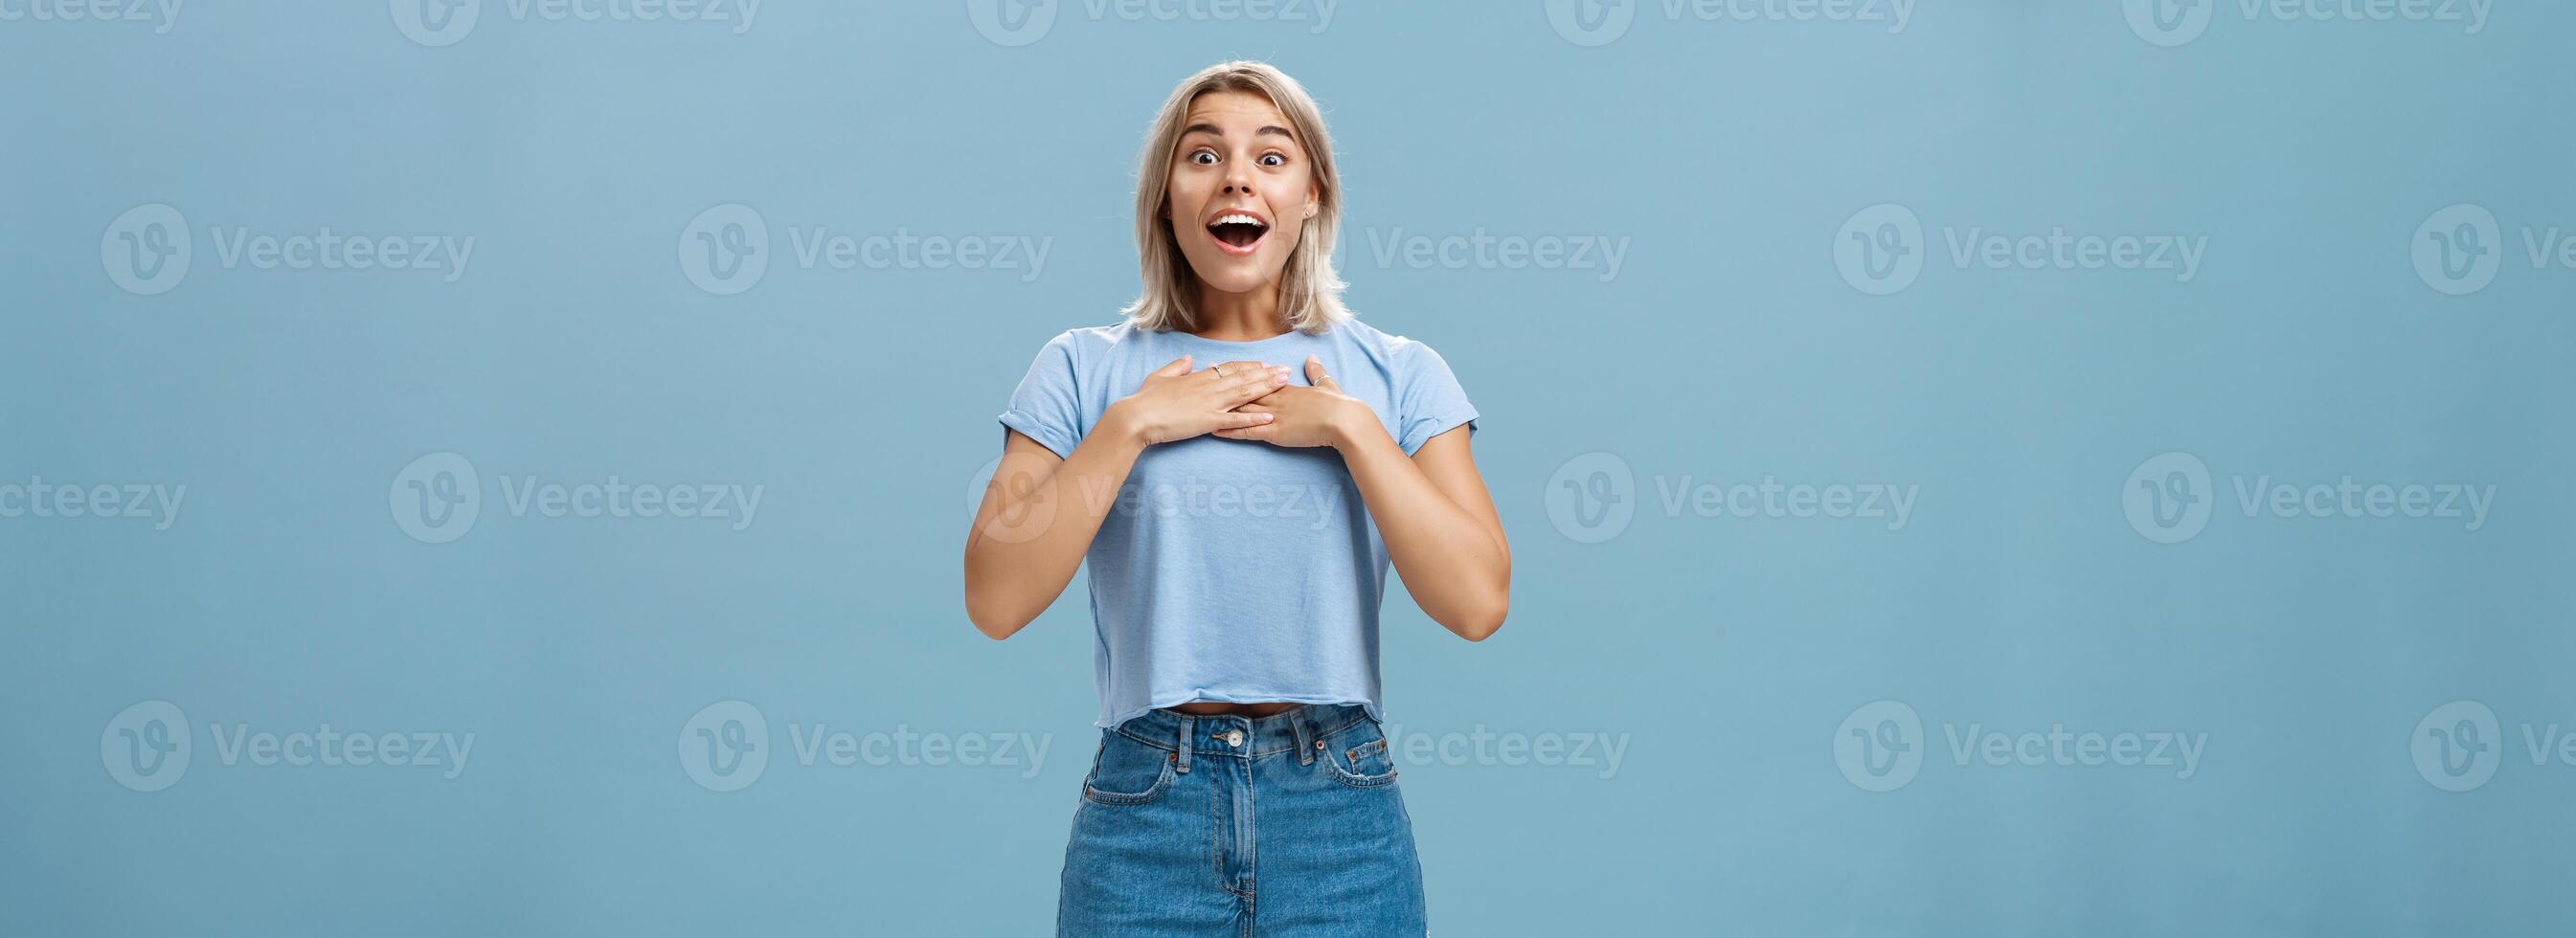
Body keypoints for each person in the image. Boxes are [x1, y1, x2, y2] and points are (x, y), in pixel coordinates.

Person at [963, 60, 1511, 936]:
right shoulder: (1081, 369)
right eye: (1203, 154)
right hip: (1144, 811)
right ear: (1165, 197)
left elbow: (1478, 603)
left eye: (1271, 156)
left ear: (1312, 195)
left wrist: (1353, 432)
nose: (1236, 178)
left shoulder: (1399, 375)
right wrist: (1133, 426)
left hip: (1341, 814)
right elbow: (994, 598)